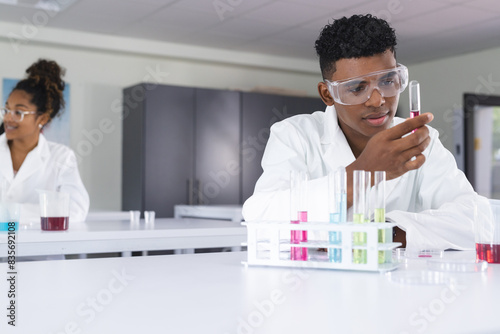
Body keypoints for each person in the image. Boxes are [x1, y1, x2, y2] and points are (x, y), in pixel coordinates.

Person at [242, 14, 486, 251]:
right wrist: (365, 171)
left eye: (388, 81)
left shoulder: (422, 140)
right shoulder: (295, 136)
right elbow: (261, 221)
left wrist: (382, 234)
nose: (378, 100)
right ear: (328, 94)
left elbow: (474, 217)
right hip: (317, 289)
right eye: (358, 88)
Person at [0, 59, 89, 223]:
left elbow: (75, 210)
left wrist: (10, 211)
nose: (7, 118)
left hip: (38, 247)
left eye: (18, 112)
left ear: (42, 118)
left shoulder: (61, 157)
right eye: (6, 109)